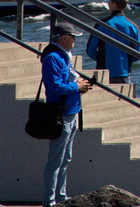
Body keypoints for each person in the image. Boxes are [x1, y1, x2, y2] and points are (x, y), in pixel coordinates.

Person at [41, 24, 93, 206]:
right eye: (73, 36)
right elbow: (54, 87)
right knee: (55, 160)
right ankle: (49, 201)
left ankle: (61, 197)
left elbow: (66, 80)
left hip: (70, 112)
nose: (75, 40)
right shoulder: (53, 58)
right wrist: (77, 87)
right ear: (63, 37)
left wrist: (78, 83)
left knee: (65, 158)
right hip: (60, 114)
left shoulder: (63, 57)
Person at [86, 0, 140, 85]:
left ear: (114, 4)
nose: (108, 4)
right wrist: (125, 60)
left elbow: (90, 50)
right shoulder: (132, 26)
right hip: (124, 72)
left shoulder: (102, 24)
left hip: (104, 71)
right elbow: (138, 53)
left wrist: (101, 59)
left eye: (109, 2)